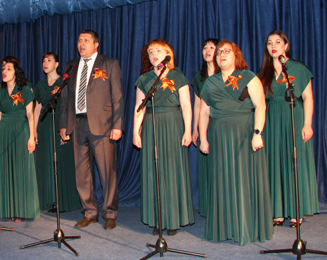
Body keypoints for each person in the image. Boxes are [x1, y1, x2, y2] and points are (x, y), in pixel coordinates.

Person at [198, 41, 273, 245]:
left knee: (244, 178)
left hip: (244, 134)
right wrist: (203, 138)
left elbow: (260, 106)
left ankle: (246, 226)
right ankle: (225, 227)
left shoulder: (248, 77)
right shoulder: (211, 82)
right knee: (222, 179)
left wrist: (257, 133)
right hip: (219, 136)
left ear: (236, 55)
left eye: (227, 51)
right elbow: (204, 112)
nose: (222, 54)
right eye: (219, 52)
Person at [59, 30, 125, 230]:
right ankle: (89, 211)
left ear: (96, 44)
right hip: (77, 124)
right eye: (79, 40)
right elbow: (65, 98)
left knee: (107, 171)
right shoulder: (70, 66)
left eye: (86, 40)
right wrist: (63, 124)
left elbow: (117, 97)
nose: (81, 43)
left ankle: (110, 212)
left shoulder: (109, 63)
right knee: (82, 172)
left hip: (103, 124)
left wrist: (117, 125)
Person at [258, 31, 319, 228]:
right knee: (275, 162)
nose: (273, 46)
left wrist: (307, 124)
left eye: (277, 42)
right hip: (271, 119)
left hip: (293, 115)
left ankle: (296, 211)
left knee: (294, 163)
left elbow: (307, 97)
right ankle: (277, 211)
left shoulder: (297, 68)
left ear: (286, 45)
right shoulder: (264, 72)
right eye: (269, 43)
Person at [133, 39, 194, 236]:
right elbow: (139, 108)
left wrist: (188, 130)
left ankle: (173, 218)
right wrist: (135, 131)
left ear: (168, 55)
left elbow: (186, 106)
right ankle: (157, 218)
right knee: (154, 171)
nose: (154, 54)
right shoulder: (144, 79)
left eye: (158, 51)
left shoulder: (178, 76)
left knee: (172, 170)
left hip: (173, 124)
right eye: (151, 52)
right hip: (152, 126)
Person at [0, 56, 40, 221]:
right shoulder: (0, 93)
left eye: (9, 69)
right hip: (4, 132)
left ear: (16, 72)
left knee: (20, 170)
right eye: (3, 69)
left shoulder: (25, 90)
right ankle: (9, 209)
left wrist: (31, 136)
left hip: (21, 130)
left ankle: (22, 209)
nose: (4, 72)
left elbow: (30, 114)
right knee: (6, 171)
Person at [33, 52, 81, 213]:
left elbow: (70, 106)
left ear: (57, 64)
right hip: (44, 125)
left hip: (61, 124)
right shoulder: (40, 85)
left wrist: (67, 128)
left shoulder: (64, 82)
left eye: (49, 60)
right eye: (43, 61)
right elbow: (38, 108)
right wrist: (34, 130)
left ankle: (64, 201)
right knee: (46, 162)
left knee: (61, 162)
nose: (45, 63)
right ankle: (50, 200)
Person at [191, 38, 219, 218]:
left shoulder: (226, 74)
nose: (207, 50)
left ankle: (222, 206)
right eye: (205, 47)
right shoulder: (198, 77)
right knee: (207, 167)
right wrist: (195, 129)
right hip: (204, 125)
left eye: (212, 47)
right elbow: (197, 105)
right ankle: (210, 207)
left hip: (221, 123)